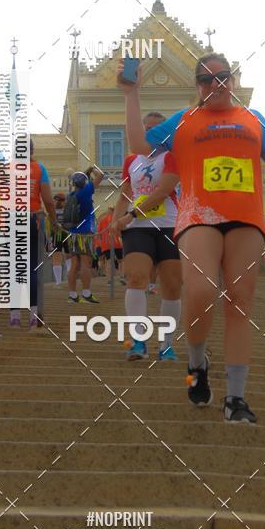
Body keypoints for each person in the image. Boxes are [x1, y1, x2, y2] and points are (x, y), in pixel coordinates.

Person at [121, 54, 265, 423]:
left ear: (232, 80)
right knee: (200, 292)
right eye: (205, 79)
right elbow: (139, 143)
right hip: (198, 215)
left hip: (246, 218)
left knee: (239, 300)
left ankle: (236, 398)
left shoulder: (252, 118)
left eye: (221, 77)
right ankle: (195, 362)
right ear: (197, 85)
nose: (214, 84)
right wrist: (131, 93)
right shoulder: (184, 120)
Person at [112, 112, 182, 362]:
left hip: (169, 225)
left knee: (172, 286)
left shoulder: (172, 157)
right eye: (146, 129)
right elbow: (125, 194)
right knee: (137, 278)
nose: (150, 134)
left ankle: (166, 344)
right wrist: (115, 220)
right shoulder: (132, 160)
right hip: (137, 227)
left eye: (156, 129)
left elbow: (164, 191)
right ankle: (138, 341)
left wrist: (129, 215)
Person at [9, 140, 58, 329]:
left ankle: (14, 315)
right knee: (32, 267)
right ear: (31, 150)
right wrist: (53, 221)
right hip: (33, 218)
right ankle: (33, 314)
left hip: (11, 219)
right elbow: (48, 200)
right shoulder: (39, 168)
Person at [63, 166, 104, 303]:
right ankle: (86, 294)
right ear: (85, 182)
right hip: (85, 232)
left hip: (73, 232)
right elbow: (101, 176)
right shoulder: (87, 191)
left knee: (74, 264)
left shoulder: (71, 195)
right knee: (86, 263)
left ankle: (72, 295)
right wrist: (92, 168)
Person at [97, 207, 123, 274]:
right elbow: (120, 231)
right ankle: (121, 276)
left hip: (106, 245)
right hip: (116, 243)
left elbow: (99, 234)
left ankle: (109, 280)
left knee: (109, 261)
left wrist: (100, 244)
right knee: (121, 261)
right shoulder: (116, 219)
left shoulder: (102, 220)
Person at [50, 192, 68, 284]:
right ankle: (59, 281)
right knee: (60, 256)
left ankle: (60, 281)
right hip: (60, 233)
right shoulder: (52, 211)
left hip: (60, 233)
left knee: (60, 256)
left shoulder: (52, 211)